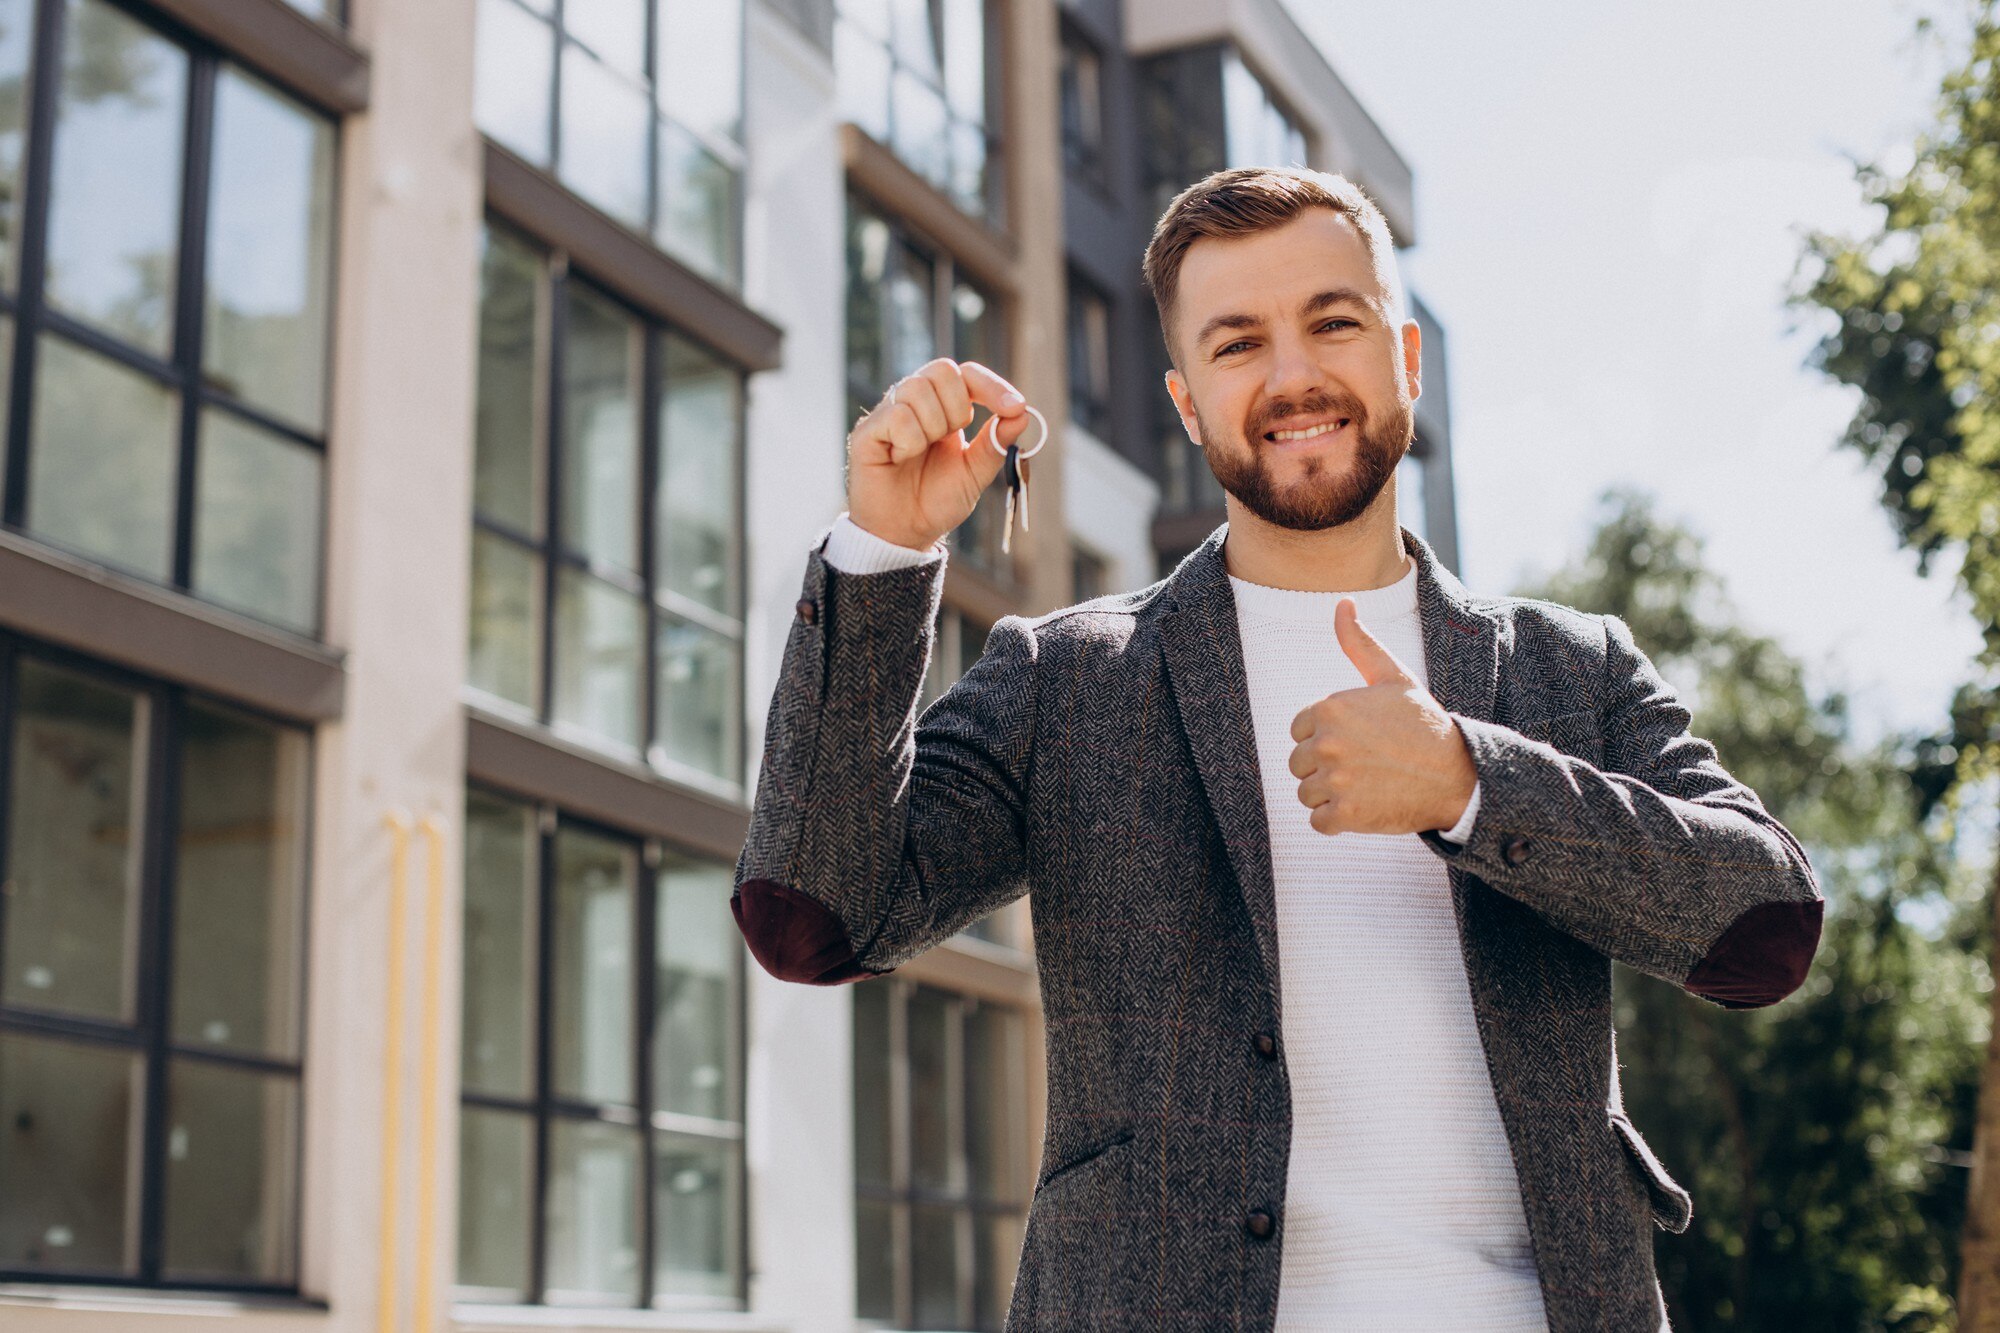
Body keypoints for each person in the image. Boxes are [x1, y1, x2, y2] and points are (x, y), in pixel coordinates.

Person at [732, 165, 1822, 1332]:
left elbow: (1760, 929)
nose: (1293, 374)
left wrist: (1469, 783)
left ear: (1403, 358)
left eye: (1331, 323)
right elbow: (818, 915)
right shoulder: (1067, 680)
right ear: (1187, 402)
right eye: (1238, 342)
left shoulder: (1571, 666)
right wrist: (883, 555)